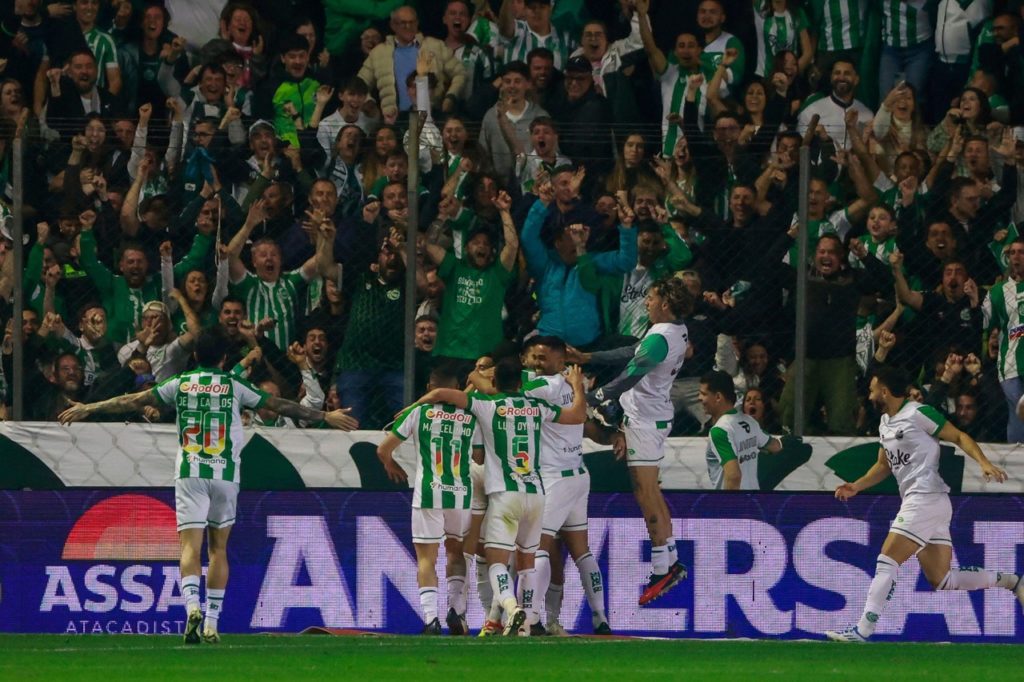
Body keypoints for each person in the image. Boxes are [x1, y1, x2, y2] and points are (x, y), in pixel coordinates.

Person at [57, 327, 359, 644]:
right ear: (225, 358)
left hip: (190, 472)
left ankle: (191, 609)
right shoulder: (233, 385)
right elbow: (281, 405)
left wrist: (87, 408)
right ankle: (212, 622)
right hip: (224, 474)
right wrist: (326, 417)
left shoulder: (181, 383)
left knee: (189, 547)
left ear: (196, 356)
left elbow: (133, 400)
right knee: (218, 550)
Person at [825, 366, 1021, 642]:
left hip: (925, 497)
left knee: (887, 559)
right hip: (928, 502)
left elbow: (959, 436)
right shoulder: (885, 422)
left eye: (872, 388)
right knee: (942, 579)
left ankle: (863, 629)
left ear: (884, 390)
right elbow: (882, 465)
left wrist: (985, 463)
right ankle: (1013, 581)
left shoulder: (919, 413)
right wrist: (855, 486)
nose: (868, 394)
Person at [412, 357, 587, 636]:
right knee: (528, 560)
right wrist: (578, 387)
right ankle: (527, 623)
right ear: (521, 383)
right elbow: (578, 416)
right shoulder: (537, 406)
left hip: (506, 495)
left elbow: (439, 394)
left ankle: (510, 606)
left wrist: (413, 407)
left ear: (493, 383)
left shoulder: (487, 405)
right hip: (537, 493)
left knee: (495, 560)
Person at [569, 277, 693, 605]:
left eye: (651, 298)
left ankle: (661, 569)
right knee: (653, 492)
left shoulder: (660, 338)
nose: (647, 303)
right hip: (654, 416)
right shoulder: (674, 330)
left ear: (665, 304)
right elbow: (633, 351)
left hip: (644, 422)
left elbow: (631, 373)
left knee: (645, 492)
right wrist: (589, 357)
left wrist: (594, 397)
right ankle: (670, 560)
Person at [376, 363, 481, 636]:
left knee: (427, 558)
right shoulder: (472, 416)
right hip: (461, 493)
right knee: (457, 552)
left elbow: (383, 449)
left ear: (428, 389)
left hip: (428, 491)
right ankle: (456, 611)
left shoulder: (419, 412)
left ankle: (431, 619)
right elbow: (480, 456)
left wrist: (391, 465)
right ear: (457, 390)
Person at [521, 335, 611, 635]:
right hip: (578, 475)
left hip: (555, 477)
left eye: (543, 357)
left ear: (561, 361)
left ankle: (532, 618)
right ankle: (600, 617)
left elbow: (509, 390)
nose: (536, 362)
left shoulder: (542, 387)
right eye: (533, 356)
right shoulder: (573, 388)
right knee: (581, 551)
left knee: (539, 547)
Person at [699, 369, 783, 490]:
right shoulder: (750, 422)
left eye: (703, 394)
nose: (699, 398)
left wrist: (733, 505)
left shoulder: (720, 430)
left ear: (718, 397)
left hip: (735, 505)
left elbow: (733, 476)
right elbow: (776, 447)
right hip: (754, 501)